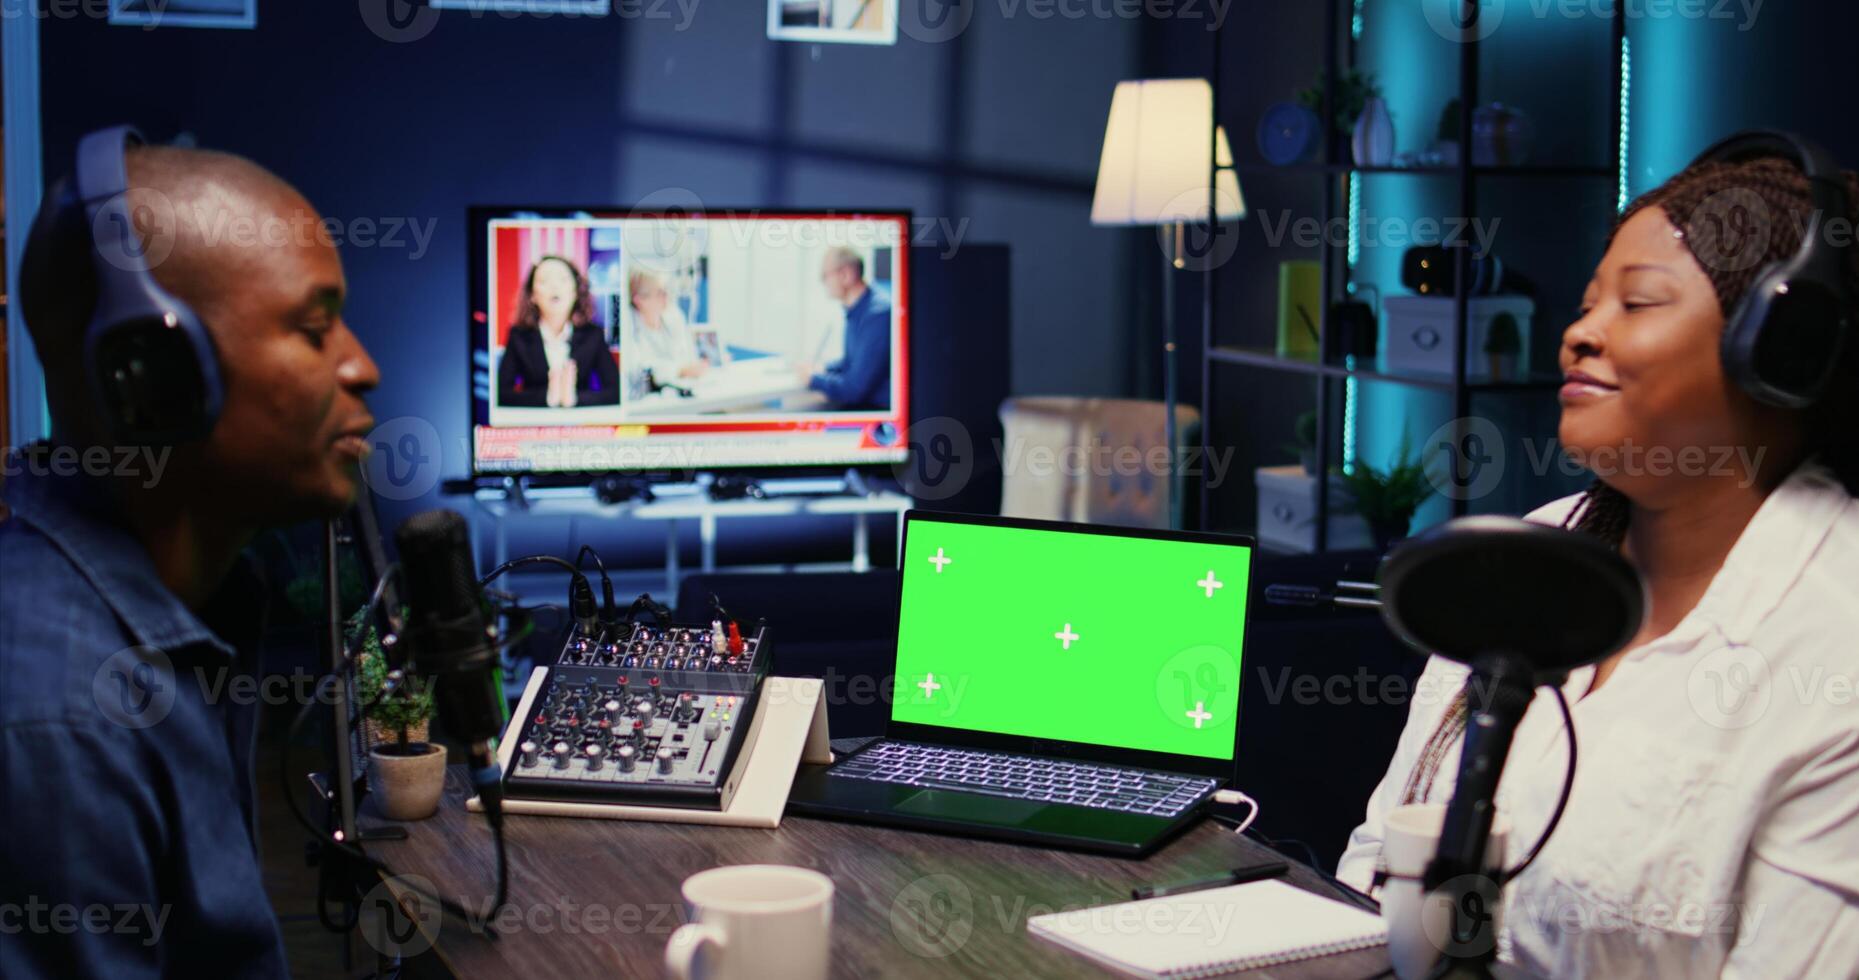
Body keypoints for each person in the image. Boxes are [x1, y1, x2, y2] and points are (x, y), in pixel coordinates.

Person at [1336, 145, 1859, 975]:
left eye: (1637, 303)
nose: (1579, 334)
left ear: (1779, 348)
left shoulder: (1835, 648)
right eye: (1586, 305)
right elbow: (1377, 862)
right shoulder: (1522, 556)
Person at [1, 138, 381, 976]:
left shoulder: (183, 615)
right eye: (315, 328)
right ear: (155, 376)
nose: (364, 366)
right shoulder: (61, 716)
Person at [496, 255, 619, 407]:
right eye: (544, 281)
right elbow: (500, 394)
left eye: (562, 279)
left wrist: (574, 399)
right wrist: (547, 398)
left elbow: (615, 392)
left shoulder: (593, 335)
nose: (554, 286)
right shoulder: (519, 335)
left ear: (575, 292)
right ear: (532, 295)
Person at [800, 246, 892, 411]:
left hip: (876, 412)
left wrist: (813, 379)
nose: (823, 282)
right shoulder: (857, 311)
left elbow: (854, 389)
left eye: (825, 276)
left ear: (845, 275)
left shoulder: (878, 315)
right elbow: (852, 361)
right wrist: (825, 368)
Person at [623, 266, 706, 396]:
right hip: (651, 397)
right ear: (639, 300)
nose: (666, 297)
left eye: (665, 291)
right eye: (659, 293)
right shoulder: (628, 325)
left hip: (685, 389)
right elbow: (638, 370)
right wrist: (679, 370)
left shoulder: (674, 316)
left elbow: (690, 356)